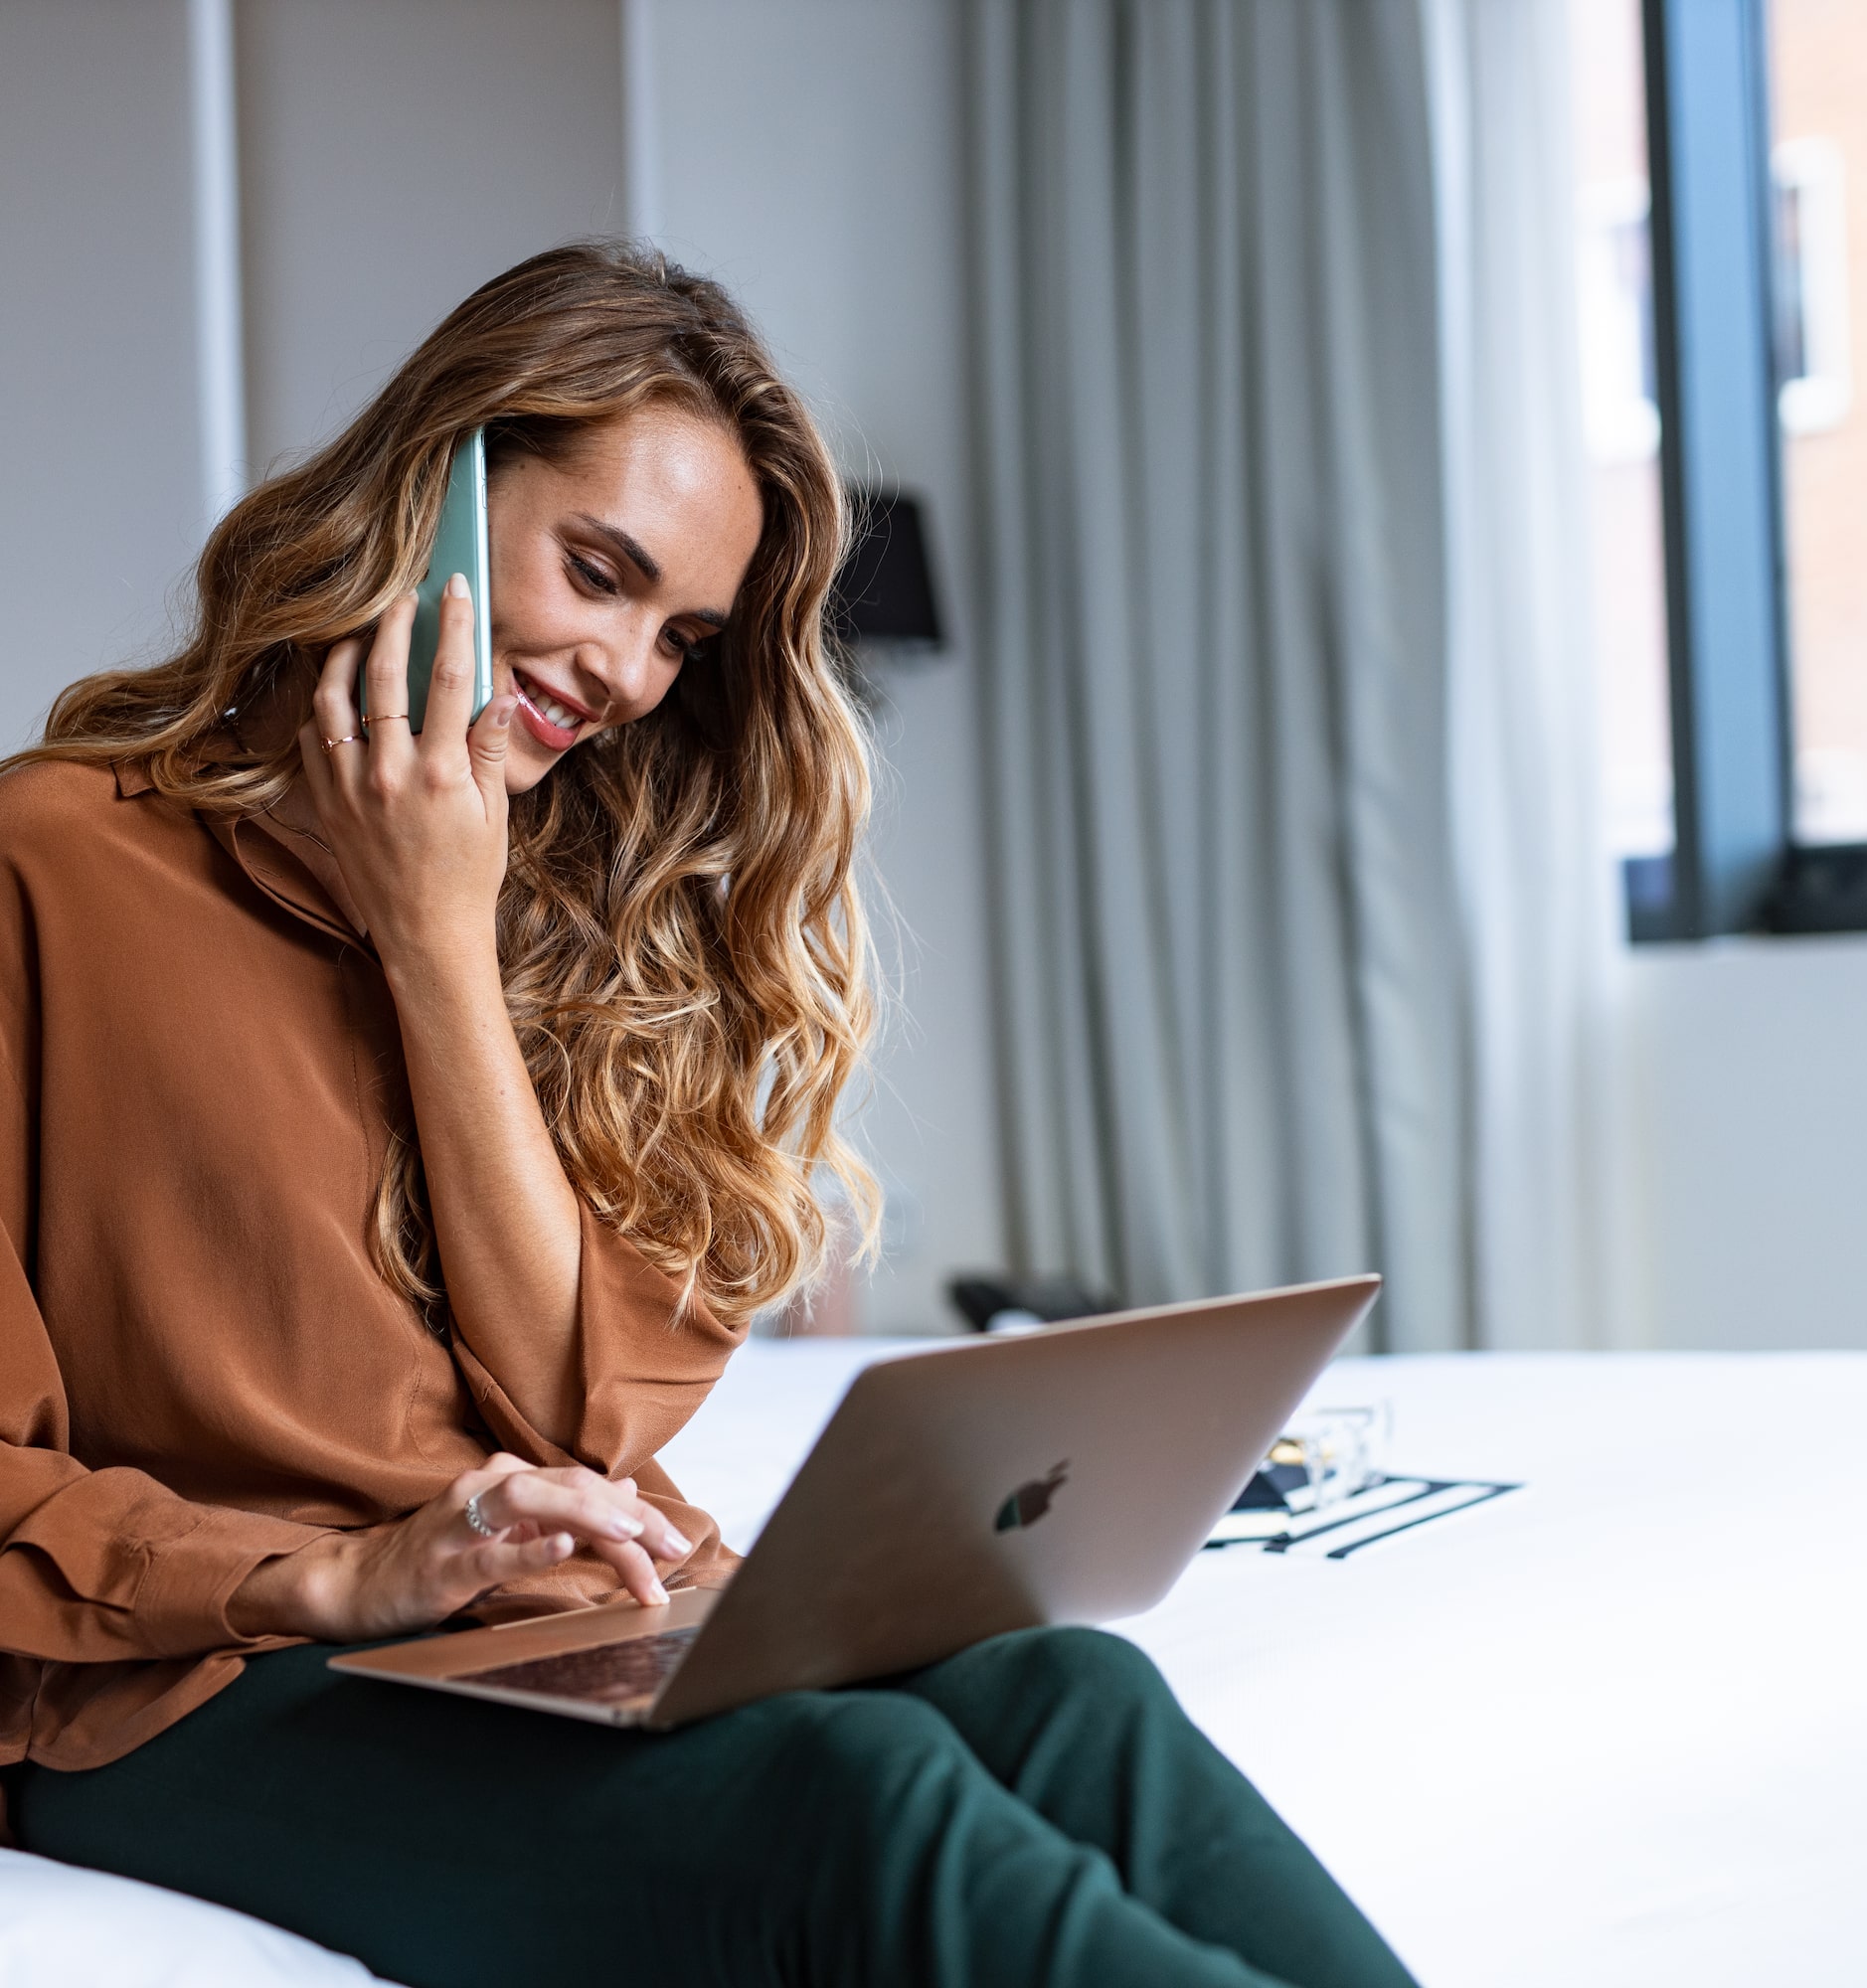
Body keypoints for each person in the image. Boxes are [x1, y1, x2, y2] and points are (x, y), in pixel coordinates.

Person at [0, 242, 1418, 1988]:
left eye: (679, 637)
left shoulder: (573, 898)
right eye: (597, 573)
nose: (622, 675)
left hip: (533, 1624)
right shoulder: (48, 866)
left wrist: (441, 938)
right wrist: (338, 1577)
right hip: (189, 1685)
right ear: (431, 485)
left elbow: (582, 1411)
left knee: (1072, 1687)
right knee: (858, 1791)